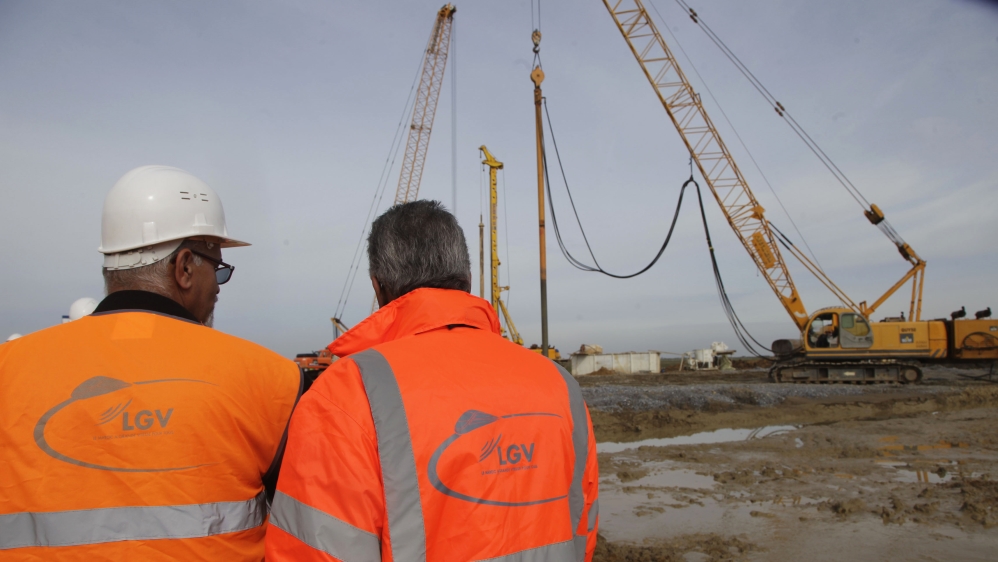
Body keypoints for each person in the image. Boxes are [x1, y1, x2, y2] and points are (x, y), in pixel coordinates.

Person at [266, 200, 599, 562]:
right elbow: (583, 526)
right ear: (468, 281)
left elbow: (316, 551)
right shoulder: (560, 385)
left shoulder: (348, 392)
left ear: (378, 288)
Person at [0, 165, 302, 560]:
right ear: (185, 267)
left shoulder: (9, 368)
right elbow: (308, 530)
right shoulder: (270, 377)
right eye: (219, 270)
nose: (217, 289)